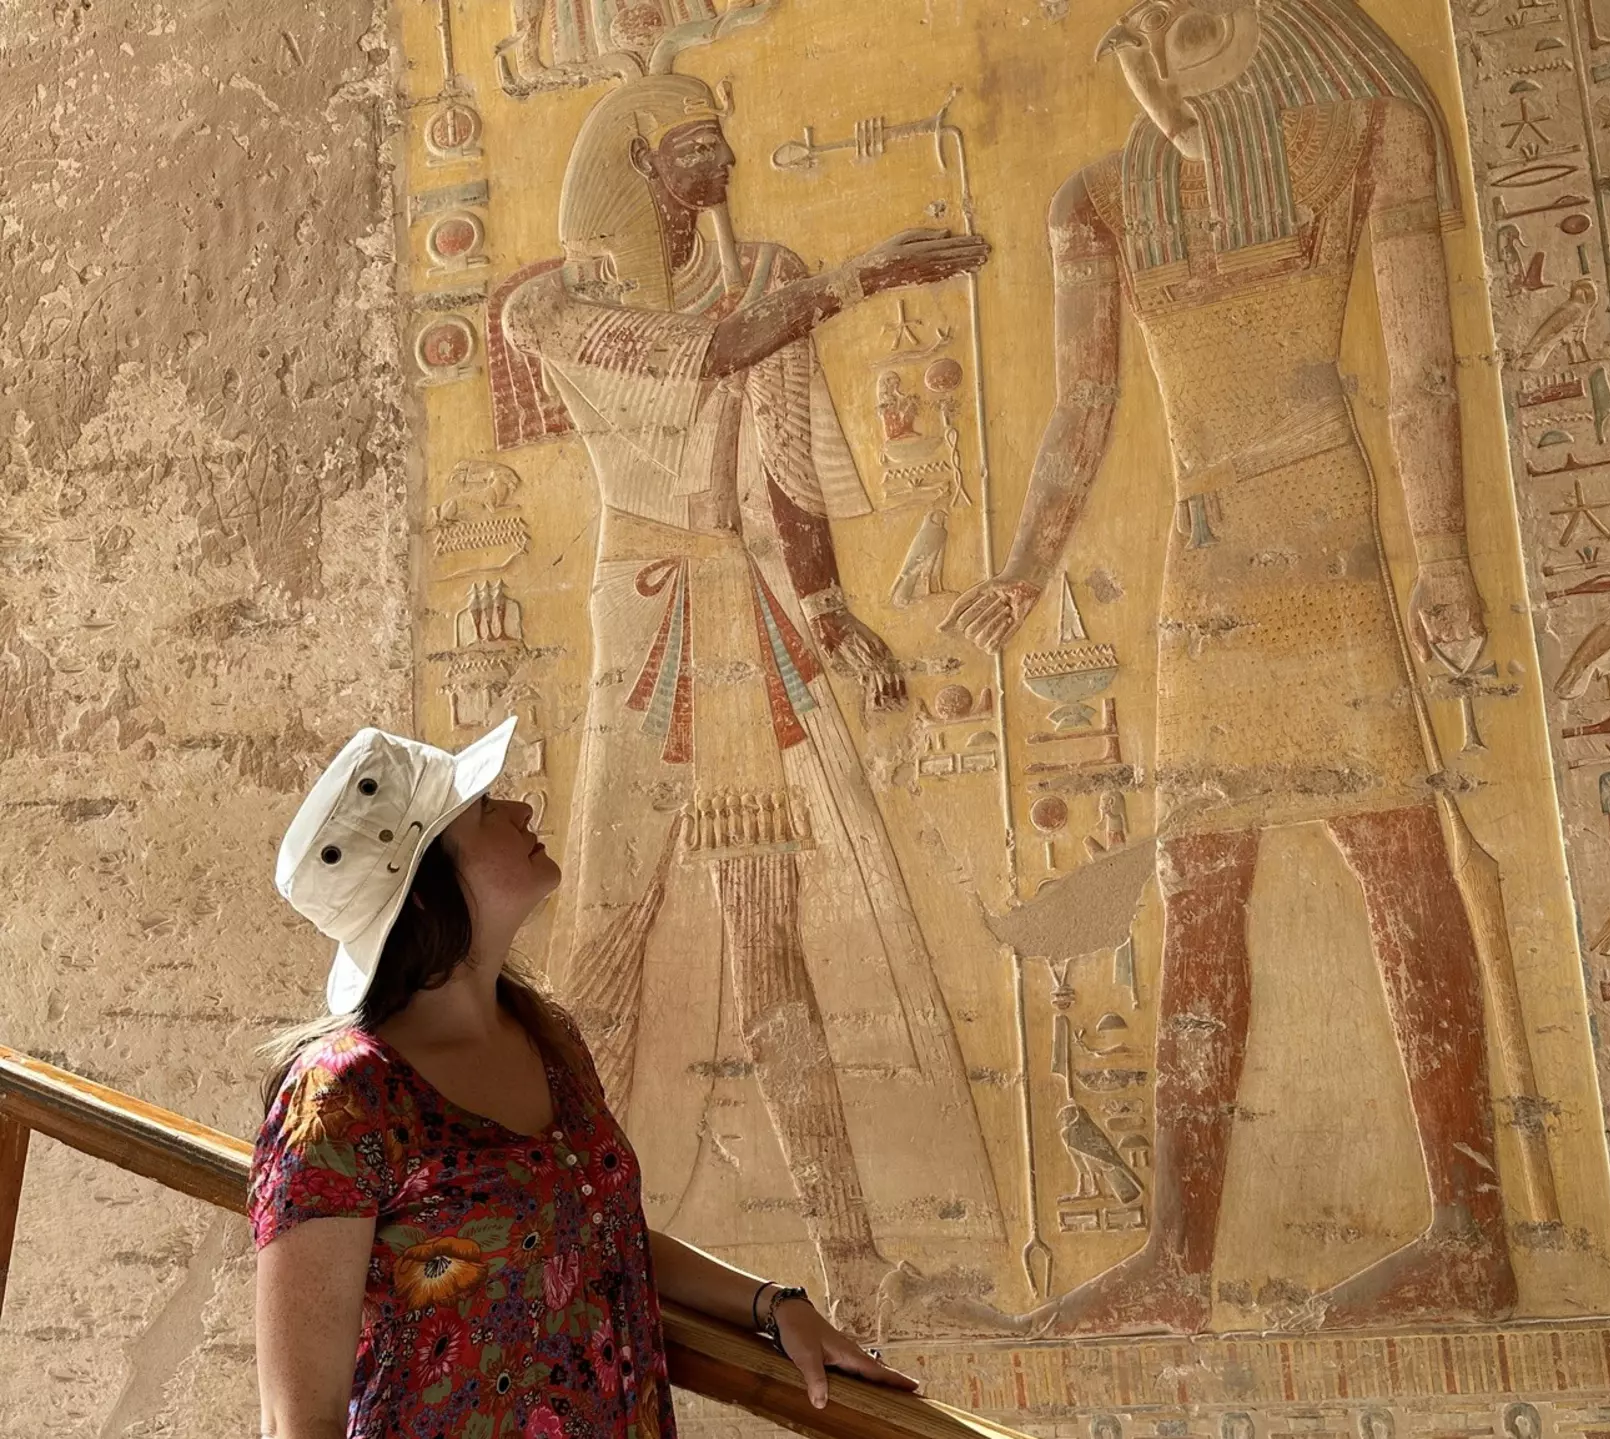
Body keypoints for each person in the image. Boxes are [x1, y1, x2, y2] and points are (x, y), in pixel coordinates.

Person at [944, 0, 1515, 1331]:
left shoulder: (1372, 132)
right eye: (1137, 33)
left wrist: (1443, 560)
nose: (1152, 57)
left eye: (1187, 27)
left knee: (1401, 865)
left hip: (1327, 540)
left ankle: (1472, 1230)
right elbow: (1084, 406)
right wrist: (1024, 568)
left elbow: (1427, 366)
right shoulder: (1100, 199)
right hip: (1203, 567)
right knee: (1197, 891)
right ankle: (1177, 1263)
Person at [497, 70, 1003, 1337]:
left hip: (739, 613)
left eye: (719, 145)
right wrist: (858, 279)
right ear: (634, 173)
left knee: (771, 944)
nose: (723, 168)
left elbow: (784, 462)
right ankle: (538, 1251)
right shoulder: (552, 312)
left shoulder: (759, 270)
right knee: (605, 939)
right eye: (696, 151)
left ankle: (858, 1264)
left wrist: (830, 610)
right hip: (643, 618)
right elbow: (698, 359)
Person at [250, 715, 910, 1438]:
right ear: (426, 890)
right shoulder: (343, 1097)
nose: (521, 808)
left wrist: (773, 1303)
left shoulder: (546, 1035)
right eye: (482, 809)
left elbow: (595, 1229)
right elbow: (298, 1419)